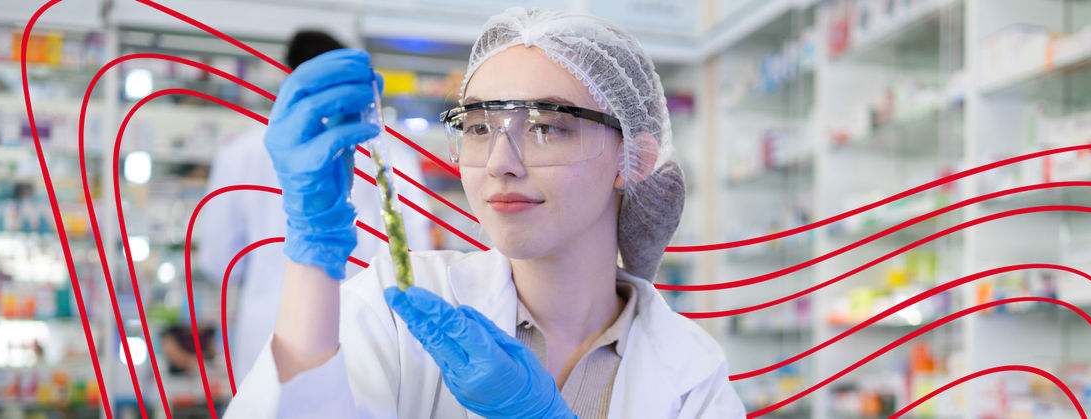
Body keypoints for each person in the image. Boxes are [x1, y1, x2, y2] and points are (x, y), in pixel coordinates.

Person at [225, 8, 744, 418]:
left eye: (547, 126)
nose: (500, 163)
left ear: (635, 157)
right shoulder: (399, 308)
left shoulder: (692, 374)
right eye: (477, 127)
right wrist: (312, 255)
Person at [198, 29, 432, 385]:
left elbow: (216, 259)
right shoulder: (394, 156)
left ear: (288, 76)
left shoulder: (242, 153)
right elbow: (416, 257)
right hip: (373, 332)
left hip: (273, 330)